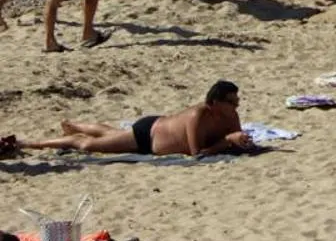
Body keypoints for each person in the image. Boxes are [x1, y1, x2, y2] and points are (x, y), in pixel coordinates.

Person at [23, 80, 252, 157]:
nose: (236, 105)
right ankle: (33, 142)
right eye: (231, 102)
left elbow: (236, 140)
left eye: (237, 101)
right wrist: (228, 141)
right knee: (87, 144)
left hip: (157, 127)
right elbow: (196, 153)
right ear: (215, 103)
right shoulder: (198, 115)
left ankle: (73, 125)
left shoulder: (231, 116)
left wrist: (237, 140)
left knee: (112, 134)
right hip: (148, 135)